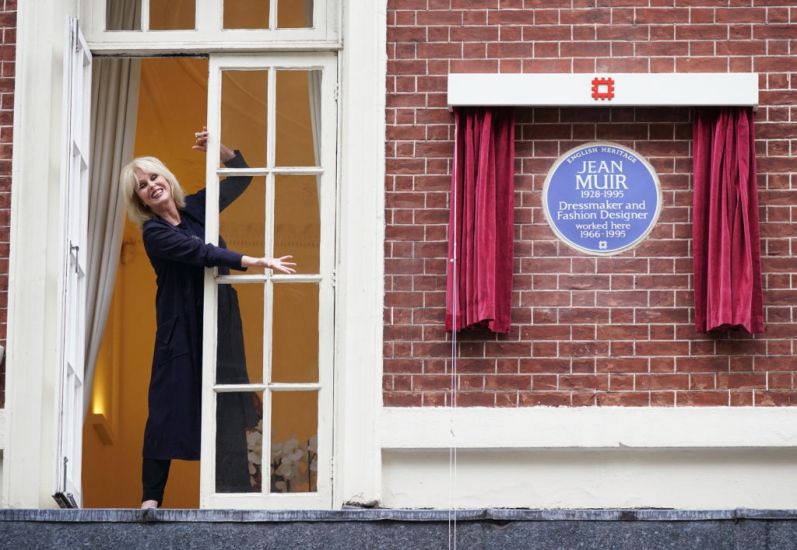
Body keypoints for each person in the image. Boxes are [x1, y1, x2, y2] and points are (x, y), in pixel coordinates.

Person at [120, 128, 295, 509]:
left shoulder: (195, 210)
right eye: (142, 186)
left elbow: (243, 177)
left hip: (220, 321)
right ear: (138, 200)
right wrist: (252, 260)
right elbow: (199, 252)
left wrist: (220, 149)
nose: (151, 186)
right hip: (180, 329)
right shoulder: (153, 233)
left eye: (154, 177)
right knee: (168, 405)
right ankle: (152, 497)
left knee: (228, 404)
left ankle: (233, 494)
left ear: (166, 179)